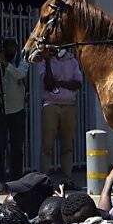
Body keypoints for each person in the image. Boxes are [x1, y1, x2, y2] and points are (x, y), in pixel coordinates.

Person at [0, 37, 29, 181]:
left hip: (16, 110)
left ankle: (16, 176)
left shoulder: (22, 61)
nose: (10, 50)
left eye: (13, 47)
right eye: (7, 47)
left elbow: (20, 74)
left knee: (17, 146)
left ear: (17, 49)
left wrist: (5, 64)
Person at [39, 49, 82, 179]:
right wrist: (47, 61)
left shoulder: (72, 60)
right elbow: (48, 83)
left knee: (67, 145)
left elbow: (77, 84)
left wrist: (58, 83)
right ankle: (43, 178)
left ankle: (67, 177)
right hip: (50, 105)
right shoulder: (44, 61)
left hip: (69, 105)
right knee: (47, 145)